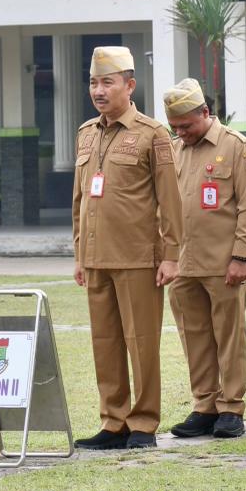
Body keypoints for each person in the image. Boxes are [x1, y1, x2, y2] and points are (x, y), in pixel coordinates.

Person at [71, 46, 182, 450]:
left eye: (107, 82)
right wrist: (80, 253)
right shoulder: (86, 133)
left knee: (142, 342)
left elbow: (170, 201)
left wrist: (171, 256)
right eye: (93, 82)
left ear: (129, 85)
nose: (98, 91)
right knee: (105, 342)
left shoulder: (152, 134)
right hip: (97, 257)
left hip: (138, 256)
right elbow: (79, 200)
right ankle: (112, 420)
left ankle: (144, 422)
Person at [162, 78, 246, 440]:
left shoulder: (236, 147)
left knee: (229, 337)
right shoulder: (175, 150)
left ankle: (231, 408)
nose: (182, 132)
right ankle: (204, 405)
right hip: (184, 263)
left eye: (187, 125)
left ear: (205, 112)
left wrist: (241, 257)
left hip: (223, 263)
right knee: (195, 337)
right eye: (176, 127)